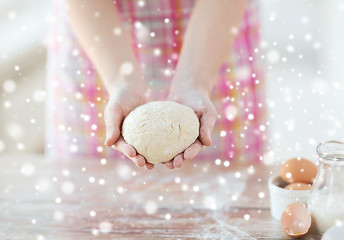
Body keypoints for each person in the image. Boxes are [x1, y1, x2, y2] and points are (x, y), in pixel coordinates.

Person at [46, 0, 267, 169]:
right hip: (99, 39)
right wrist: (122, 82)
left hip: (214, 35)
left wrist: (196, 82)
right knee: (92, 196)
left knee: (229, 193)